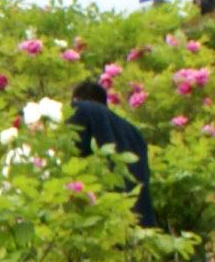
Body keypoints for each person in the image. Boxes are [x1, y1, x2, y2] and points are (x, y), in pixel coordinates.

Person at [65, 80, 154, 229]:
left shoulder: (80, 110)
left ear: (76, 99)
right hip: (139, 219)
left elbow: (71, 155)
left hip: (100, 215)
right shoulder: (134, 132)